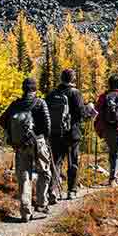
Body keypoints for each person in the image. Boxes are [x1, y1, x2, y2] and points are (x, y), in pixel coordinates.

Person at [0, 77, 52, 222]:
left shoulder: (15, 104)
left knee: (24, 177)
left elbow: (2, 120)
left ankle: (25, 211)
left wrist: (13, 132)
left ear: (23, 89)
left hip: (20, 145)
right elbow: (47, 125)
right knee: (44, 172)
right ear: (35, 89)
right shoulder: (40, 103)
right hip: (38, 143)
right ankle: (41, 203)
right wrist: (43, 139)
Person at [45, 69, 89, 203]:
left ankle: (52, 190)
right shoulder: (75, 93)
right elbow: (81, 113)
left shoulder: (52, 94)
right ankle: (71, 191)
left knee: (56, 162)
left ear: (61, 78)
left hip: (55, 133)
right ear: (73, 79)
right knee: (73, 162)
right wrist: (88, 109)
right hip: (72, 133)